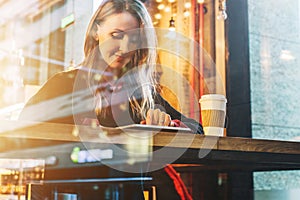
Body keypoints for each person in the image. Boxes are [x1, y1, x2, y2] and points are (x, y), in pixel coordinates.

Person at [19, 0, 203, 199]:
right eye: (116, 35)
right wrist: (73, 138)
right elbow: (20, 136)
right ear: (96, 32)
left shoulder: (142, 95)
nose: (124, 48)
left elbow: (198, 131)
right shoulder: (63, 85)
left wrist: (169, 123)